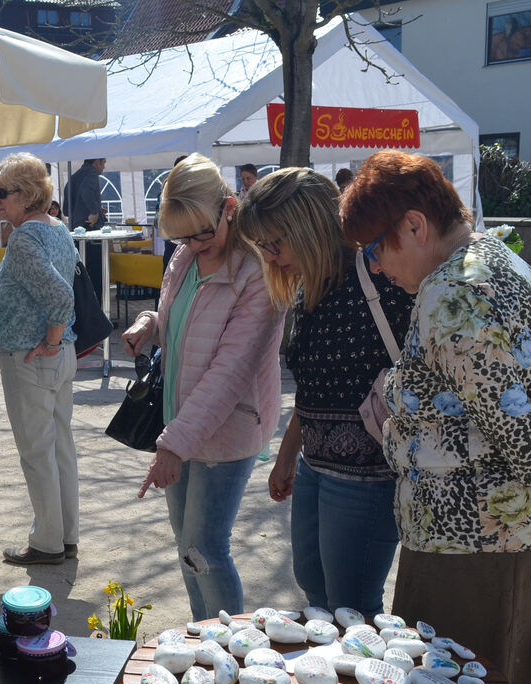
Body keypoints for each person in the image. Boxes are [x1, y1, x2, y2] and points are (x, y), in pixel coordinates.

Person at [341, 150, 531, 684]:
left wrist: (394, 397)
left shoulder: (452, 295)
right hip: (498, 539)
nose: (375, 266)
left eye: (375, 248)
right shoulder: (495, 258)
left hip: (466, 549)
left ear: (416, 226)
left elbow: (522, 431)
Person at [238, 168, 412, 617]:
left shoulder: (379, 277)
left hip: (368, 476)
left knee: (350, 607)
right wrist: (287, 454)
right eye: (264, 248)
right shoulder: (309, 287)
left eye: (276, 243)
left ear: (309, 226)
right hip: (317, 466)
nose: (272, 258)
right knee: (316, 593)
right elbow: (316, 386)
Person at [121, 153, 284, 621]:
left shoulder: (257, 274)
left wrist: (173, 446)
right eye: (181, 237)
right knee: (184, 544)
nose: (192, 245)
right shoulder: (184, 256)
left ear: (229, 207)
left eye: (201, 233)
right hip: (180, 421)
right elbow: (178, 316)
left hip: (226, 431)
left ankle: (232, 649)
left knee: (205, 547)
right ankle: (201, 638)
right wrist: (149, 324)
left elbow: (229, 373)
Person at [0, 153, 79, 566]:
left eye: (1, 193)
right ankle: (64, 535)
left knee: (38, 453)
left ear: (26, 195)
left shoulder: (25, 237)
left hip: (34, 357)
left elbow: (61, 295)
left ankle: (46, 543)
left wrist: (52, 340)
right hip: (55, 356)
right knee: (59, 449)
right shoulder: (56, 228)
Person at [66, 157, 106, 301]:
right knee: (97, 274)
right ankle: (99, 313)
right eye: (104, 163)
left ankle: (84, 312)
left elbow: (66, 208)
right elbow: (85, 191)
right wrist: (95, 212)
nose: (104, 167)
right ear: (97, 162)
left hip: (76, 230)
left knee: (80, 274)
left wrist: (82, 212)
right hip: (90, 231)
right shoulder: (91, 173)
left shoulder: (74, 176)